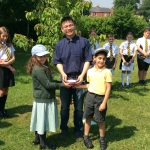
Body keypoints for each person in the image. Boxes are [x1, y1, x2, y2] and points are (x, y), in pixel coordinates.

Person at [54, 16, 92, 139]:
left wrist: (82, 75)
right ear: (62, 29)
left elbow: (88, 60)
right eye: (65, 26)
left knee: (79, 108)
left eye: (70, 25)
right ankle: (63, 129)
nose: (68, 28)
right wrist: (63, 73)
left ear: (74, 26)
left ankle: (78, 129)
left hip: (79, 79)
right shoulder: (59, 44)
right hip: (65, 80)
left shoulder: (84, 42)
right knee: (64, 107)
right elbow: (57, 61)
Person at [27, 44, 64, 150]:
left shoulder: (43, 67)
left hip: (43, 98)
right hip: (43, 99)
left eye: (44, 56)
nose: (43, 58)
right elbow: (48, 85)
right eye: (40, 56)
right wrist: (62, 85)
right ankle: (43, 144)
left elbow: (50, 81)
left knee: (39, 119)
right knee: (42, 122)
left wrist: (60, 81)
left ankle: (37, 139)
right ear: (34, 57)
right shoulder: (38, 69)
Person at [77, 48, 112, 150]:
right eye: (99, 58)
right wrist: (77, 86)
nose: (101, 61)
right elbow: (89, 85)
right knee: (88, 117)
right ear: (94, 58)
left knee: (100, 120)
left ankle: (102, 139)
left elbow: (108, 88)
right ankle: (86, 137)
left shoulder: (107, 72)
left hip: (101, 98)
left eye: (104, 59)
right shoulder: (89, 71)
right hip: (89, 97)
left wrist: (104, 103)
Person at [0, 26, 15, 118]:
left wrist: (9, 64)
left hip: (7, 68)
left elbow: (13, 57)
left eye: (6, 36)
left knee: (6, 90)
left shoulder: (9, 45)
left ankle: (2, 109)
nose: (5, 38)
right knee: (1, 91)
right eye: (3, 36)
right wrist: (9, 66)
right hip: (1, 70)